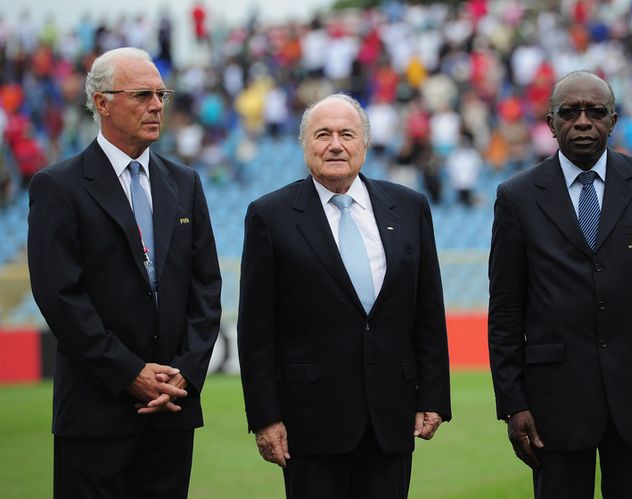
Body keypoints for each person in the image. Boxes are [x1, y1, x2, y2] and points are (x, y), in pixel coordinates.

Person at [488, 70, 632, 498]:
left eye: (595, 111)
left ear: (613, 120)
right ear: (550, 123)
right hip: (555, 403)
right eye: (569, 112)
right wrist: (513, 402)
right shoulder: (517, 196)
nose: (582, 121)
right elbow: (506, 310)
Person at [27, 47, 222, 499]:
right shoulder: (59, 186)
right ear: (101, 102)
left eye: (161, 94)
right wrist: (128, 373)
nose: (157, 106)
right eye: (142, 95)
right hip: (96, 413)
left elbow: (206, 288)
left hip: (171, 410)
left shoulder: (186, 182)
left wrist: (186, 375)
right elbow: (61, 298)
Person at [238, 93, 451, 499]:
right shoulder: (270, 215)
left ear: (364, 144)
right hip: (309, 420)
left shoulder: (409, 207)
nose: (335, 144)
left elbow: (427, 310)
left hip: (392, 416)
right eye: (323, 134)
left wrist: (435, 395)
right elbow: (256, 328)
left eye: (346, 134)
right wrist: (265, 417)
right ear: (305, 145)